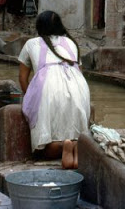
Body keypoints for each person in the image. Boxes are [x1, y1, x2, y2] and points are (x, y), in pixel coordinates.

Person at [18, 11, 91, 169]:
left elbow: (23, 78)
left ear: (39, 27)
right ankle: (76, 145)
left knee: (42, 148)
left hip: (48, 85)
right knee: (75, 129)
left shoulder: (31, 43)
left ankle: (61, 146)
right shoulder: (71, 43)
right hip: (78, 86)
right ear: (60, 25)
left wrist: (31, 99)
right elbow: (80, 71)